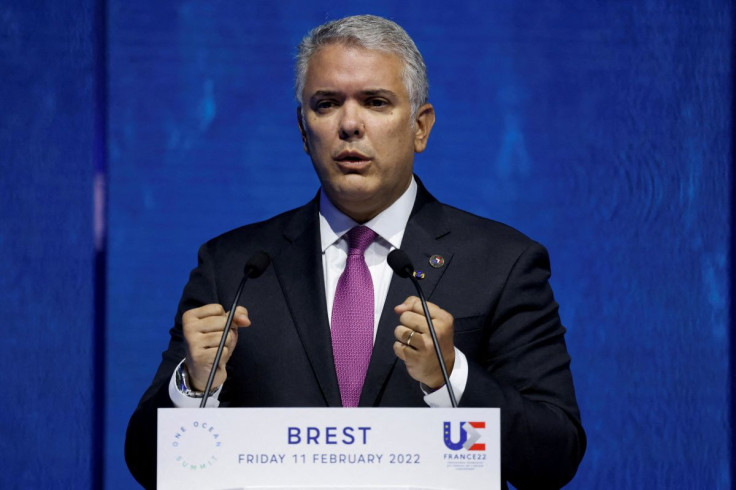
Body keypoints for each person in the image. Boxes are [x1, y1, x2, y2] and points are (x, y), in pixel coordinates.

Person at [125, 14, 586, 489]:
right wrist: (194, 387)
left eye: (375, 102)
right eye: (326, 104)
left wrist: (452, 376)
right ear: (304, 131)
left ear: (420, 127)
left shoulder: (503, 262)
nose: (349, 124)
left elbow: (553, 455)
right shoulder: (234, 266)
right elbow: (147, 463)